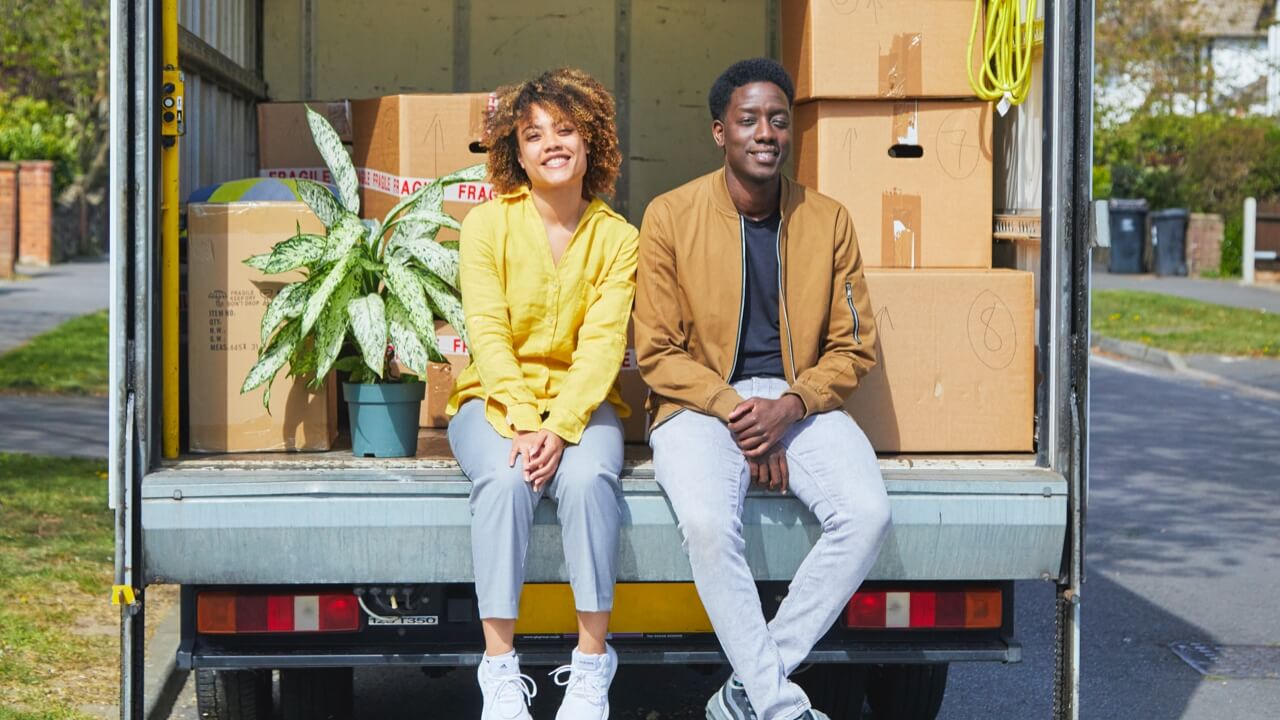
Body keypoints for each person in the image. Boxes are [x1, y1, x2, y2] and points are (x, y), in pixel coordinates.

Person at [633, 58, 892, 720]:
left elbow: (853, 345)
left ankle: (749, 687)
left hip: (797, 398)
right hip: (698, 402)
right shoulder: (670, 216)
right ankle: (778, 706)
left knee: (866, 514)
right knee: (709, 523)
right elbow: (656, 352)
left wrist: (793, 404)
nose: (765, 132)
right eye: (748, 120)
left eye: (778, 119)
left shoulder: (828, 220)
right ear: (720, 131)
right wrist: (738, 413)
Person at [446, 67, 638, 720]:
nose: (551, 143)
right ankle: (499, 670)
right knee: (504, 484)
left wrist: (558, 429)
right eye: (533, 134)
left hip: (583, 409)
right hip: (493, 403)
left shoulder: (619, 239)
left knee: (587, 484)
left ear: (591, 142)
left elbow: (603, 348)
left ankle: (590, 667)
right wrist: (526, 423)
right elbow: (488, 335)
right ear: (515, 152)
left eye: (565, 129)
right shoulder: (485, 227)